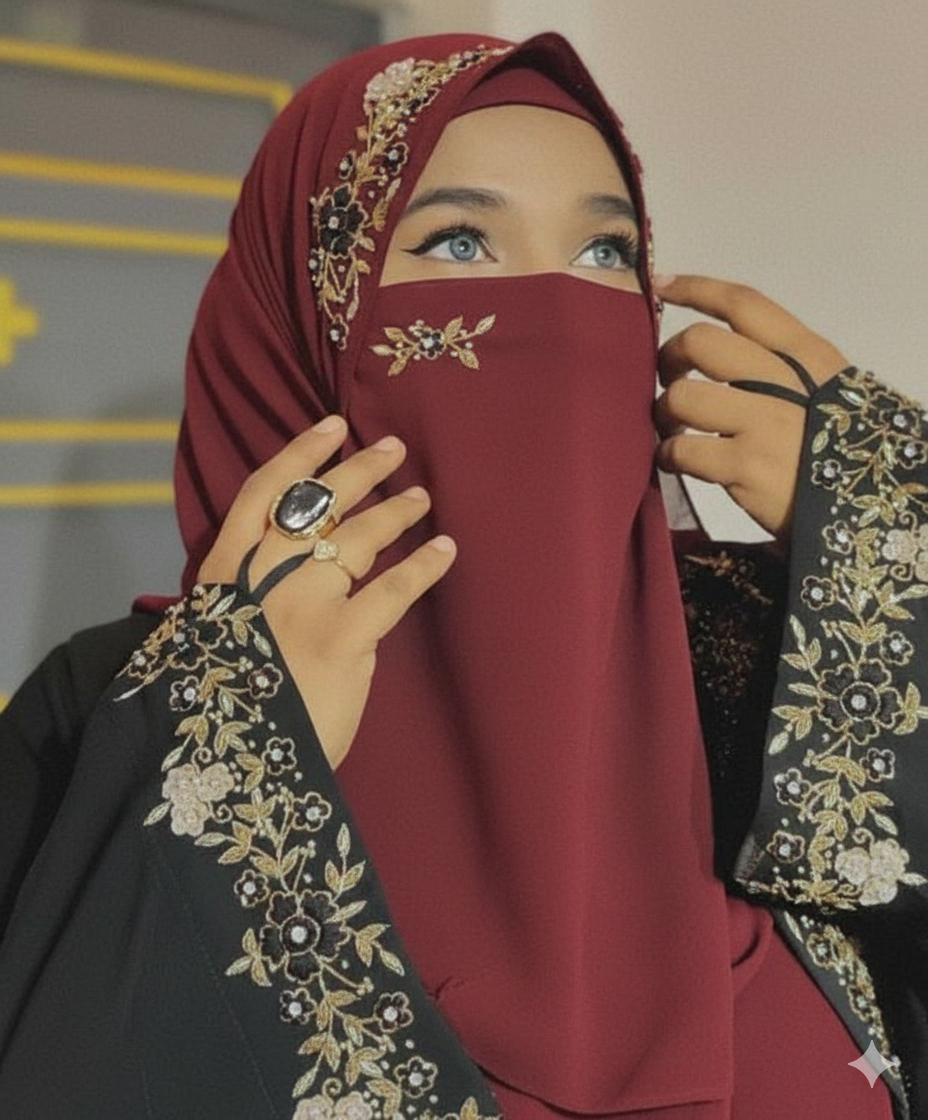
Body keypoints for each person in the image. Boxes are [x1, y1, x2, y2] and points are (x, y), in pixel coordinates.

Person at [0, 28, 925, 1120]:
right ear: (299, 322)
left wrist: (893, 536)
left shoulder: (772, 671)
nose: (559, 307)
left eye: (604, 253)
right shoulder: (108, 715)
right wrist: (237, 743)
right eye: (457, 240)